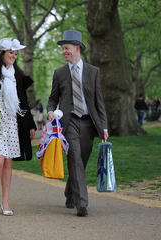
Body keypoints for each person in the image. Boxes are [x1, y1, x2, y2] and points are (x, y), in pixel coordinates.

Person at [47, 30, 108, 217]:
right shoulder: (59, 73)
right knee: (74, 157)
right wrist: (50, 111)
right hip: (69, 121)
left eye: (67, 48)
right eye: (63, 49)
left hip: (89, 123)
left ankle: (70, 193)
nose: (64, 51)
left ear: (77, 48)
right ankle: (82, 203)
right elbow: (52, 99)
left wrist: (104, 126)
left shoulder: (93, 72)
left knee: (81, 160)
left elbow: (99, 102)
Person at [0, 38, 36, 216]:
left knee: (8, 162)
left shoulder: (18, 77)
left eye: (16, 53)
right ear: (2, 53)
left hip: (13, 123)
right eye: (11, 52)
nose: (14, 56)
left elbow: (24, 102)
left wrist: (31, 124)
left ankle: (5, 201)